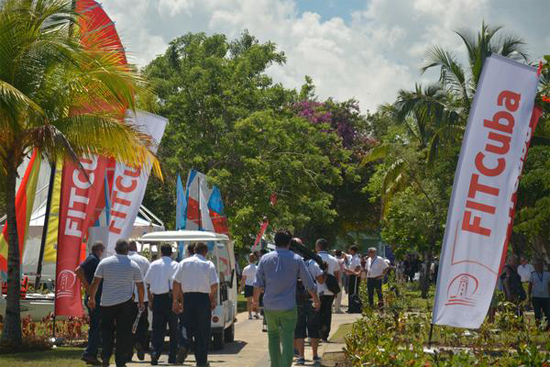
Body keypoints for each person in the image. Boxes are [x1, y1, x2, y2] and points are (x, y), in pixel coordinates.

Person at [253, 230, 320, 367]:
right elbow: (309, 284)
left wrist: (254, 301)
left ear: (275, 242)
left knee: (272, 337)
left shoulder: (264, 259)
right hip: (288, 306)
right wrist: (316, 299)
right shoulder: (296, 259)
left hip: (270, 306)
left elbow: (258, 284)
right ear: (290, 242)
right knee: (288, 338)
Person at [88, 239, 145, 367]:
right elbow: (140, 286)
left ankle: (106, 357)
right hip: (125, 304)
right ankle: (120, 362)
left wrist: (92, 298)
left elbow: (95, 282)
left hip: (107, 303)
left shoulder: (105, 262)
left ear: (115, 249)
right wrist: (141, 302)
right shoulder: (133, 265)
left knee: (107, 331)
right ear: (127, 250)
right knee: (123, 334)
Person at [172, 242, 219, 367]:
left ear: (194, 250)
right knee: (202, 331)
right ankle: (201, 361)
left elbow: (176, 283)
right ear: (205, 252)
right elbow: (214, 285)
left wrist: (175, 301)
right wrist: (211, 298)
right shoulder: (209, 264)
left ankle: (184, 344)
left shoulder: (184, 263)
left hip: (187, 298)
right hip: (203, 299)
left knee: (185, 324)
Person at [144, 243, 179, 365]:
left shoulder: (153, 265)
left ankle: (155, 352)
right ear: (171, 253)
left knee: (157, 328)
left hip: (158, 298)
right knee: (174, 329)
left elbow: (147, 283)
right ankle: (173, 356)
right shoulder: (175, 265)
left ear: (161, 252)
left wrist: (150, 299)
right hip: (171, 298)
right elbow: (178, 284)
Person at [293, 239, 324, 366]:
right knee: (313, 328)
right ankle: (315, 355)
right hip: (311, 299)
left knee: (299, 328)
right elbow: (321, 280)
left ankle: (301, 356)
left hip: (296, 300)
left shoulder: (291, 262)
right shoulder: (312, 262)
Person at [75, 241, 105, 365]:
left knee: (95, 326)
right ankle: (89, 353)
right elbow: (78, 270)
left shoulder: (93, 259)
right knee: (97, 326)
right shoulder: (93, 259)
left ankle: (91, 354)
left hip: (94, 296)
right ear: (99, 250)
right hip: (94, 298)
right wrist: (88, 288)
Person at [128, 240, 150, 361]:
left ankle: (129, 351)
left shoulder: (123, 259)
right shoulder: (143, 260)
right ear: (136, 248)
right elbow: (148, 279)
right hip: (142, 297)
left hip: (127, 298)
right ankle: (140, 342)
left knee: (127, 324)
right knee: (143, 323)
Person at [314, 238, 340, 342]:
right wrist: (336, 289)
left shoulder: (315, 258)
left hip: (318, 290)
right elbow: (337, 274)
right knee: (327, 312)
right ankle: (325, 334)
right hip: (330, 290)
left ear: (318, 247)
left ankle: (318, 333)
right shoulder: (333, 259)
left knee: (318, 312)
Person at [528, 260, 550, 329]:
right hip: (536, 297)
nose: (539, 267)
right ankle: (538, 327)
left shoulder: (547, 274)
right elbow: (530, 285)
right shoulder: (533, 274)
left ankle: (547, 326)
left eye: (540, 265)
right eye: (537, 265)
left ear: (542, 266)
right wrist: (529, 296)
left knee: (547, 313)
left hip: (546, 297)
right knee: (537, 313)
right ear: (535, 267)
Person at [240, 253, 260, 319]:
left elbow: (243, 279)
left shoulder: (246, 268)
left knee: (249, 301)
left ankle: (250, 314)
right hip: (256, 286)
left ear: (249, 259)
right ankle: (256, 313)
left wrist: (241, 287)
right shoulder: (258, 268)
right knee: (256, 301)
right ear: (255, 259)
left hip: (248, 285)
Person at [344, 245, 361, 313]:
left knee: (354, 292)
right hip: (350, 276)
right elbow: (345, 254)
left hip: (354, 277)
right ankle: (350, 307)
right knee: (350, 292)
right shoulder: (351, 257)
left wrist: (353, 272)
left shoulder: (356, 258)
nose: (348, 250)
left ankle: (354, 307)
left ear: (353, 250)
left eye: (350, 249)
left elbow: (358, 267)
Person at [333, 250, 345, 314]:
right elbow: (344, 270)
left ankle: (330, 308)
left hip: (332, 279)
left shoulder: (332, 259)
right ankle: (337, 309)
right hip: (339, 279)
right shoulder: (342, 261)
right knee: (339, 295)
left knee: (331, 294)